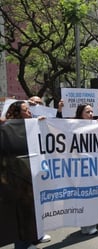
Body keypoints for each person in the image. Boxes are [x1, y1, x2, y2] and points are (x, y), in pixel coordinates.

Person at [1, 101, 51, 249]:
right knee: (22, 210)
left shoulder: (32, 126)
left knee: (33, 208)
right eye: (25, 110)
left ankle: (34, 237)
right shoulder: (7, 128)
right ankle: (22, 245)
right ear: (17, 113)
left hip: (31, 174)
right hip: (16, 176)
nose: (29, 112)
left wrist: (38, 123)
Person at [75, 104, 98, 235]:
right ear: (80, 113)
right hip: (82, 168)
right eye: (87, 112)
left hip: (97, 165)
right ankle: (87, 225)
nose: (90, 114)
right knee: (86, 195)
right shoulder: (73, 125)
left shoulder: (95, 124)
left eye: (91, 112)